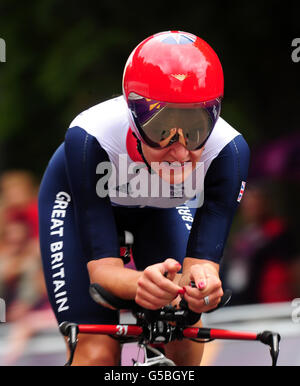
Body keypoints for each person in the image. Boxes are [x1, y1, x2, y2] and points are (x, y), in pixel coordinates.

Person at [38, 31, 250, 366]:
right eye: (161, 129)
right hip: (77, 203)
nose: (178, 150)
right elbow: (103, 272)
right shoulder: (89, 135)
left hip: (158, 209)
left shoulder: (229, 151)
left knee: (185, 343)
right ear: (133, 115)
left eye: (195, 128)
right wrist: (140, 282)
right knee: (95, 353)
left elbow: (201, 269)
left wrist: (202, 289)